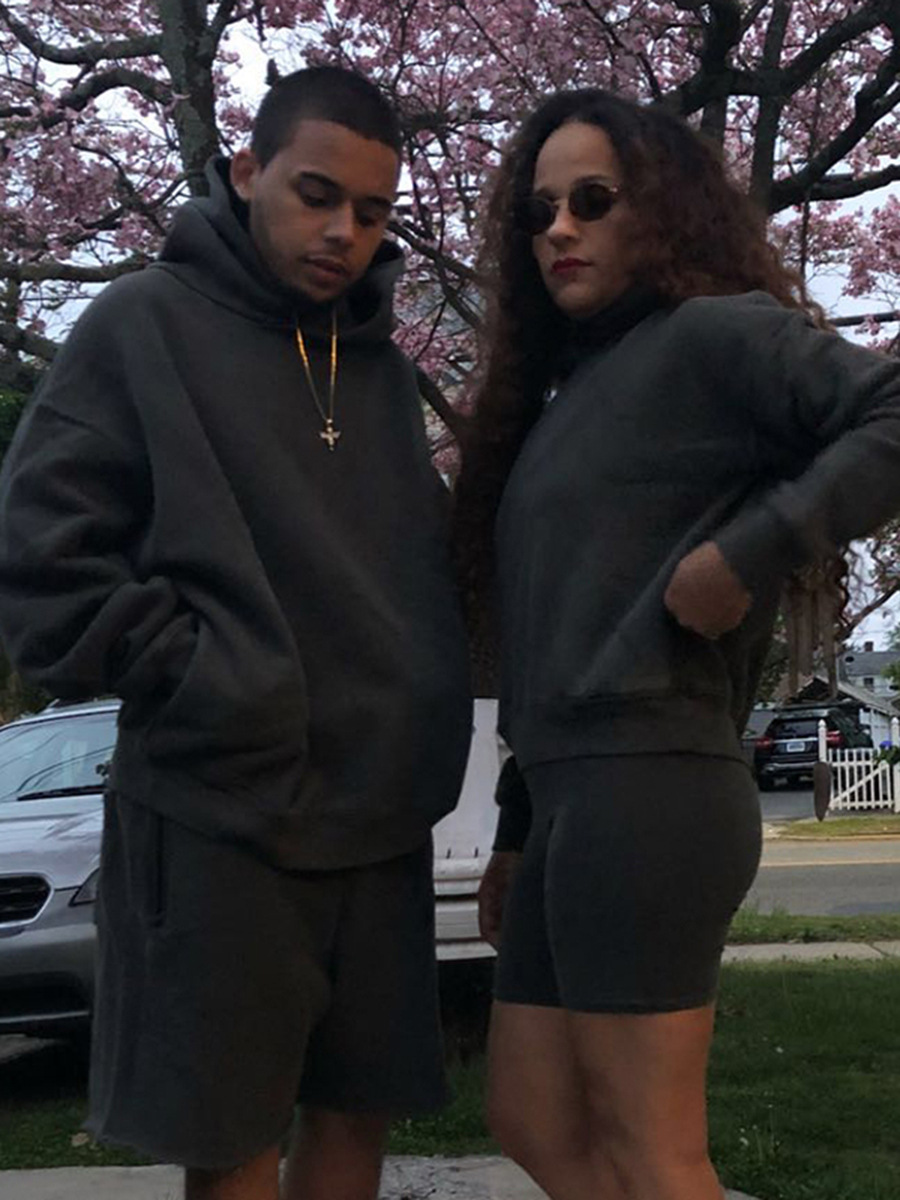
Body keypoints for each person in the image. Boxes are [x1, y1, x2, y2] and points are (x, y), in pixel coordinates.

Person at [0, 67, 473, 1200]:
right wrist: (212, 678)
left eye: (373, 211)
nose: (345, 231)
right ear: (249, 170)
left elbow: (413, 570)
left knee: (357, 1114)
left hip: (380, 816)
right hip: (225, 809)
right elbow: (41, 556)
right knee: (234, 1142)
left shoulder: (377, 368)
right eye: (317, 194)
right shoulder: (142, 324)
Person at [455, 88, 900, 1200]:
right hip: (568, 797)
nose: (559, 229)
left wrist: (752, 551)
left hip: (651, 782)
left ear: (659, 209)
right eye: (540, 211)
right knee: (531, 1117)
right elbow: (555, 633)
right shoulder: (565, 400)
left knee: (653, 1153)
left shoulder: (712, 336)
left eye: (593, 201)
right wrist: (515, 829)